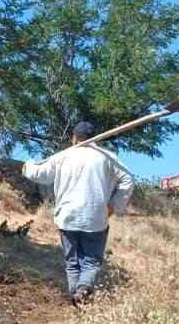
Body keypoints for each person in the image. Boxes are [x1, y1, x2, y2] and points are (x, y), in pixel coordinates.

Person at [22, 122, 134, 305]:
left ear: (73, 137)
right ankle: (83, 289)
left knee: (72, 262)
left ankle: (77, 299)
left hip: (67, 216)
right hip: (96, 218)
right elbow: (128, 180)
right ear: (94, 136)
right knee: (90, 262)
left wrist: (27, 166)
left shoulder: (63, 156)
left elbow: (40, 174)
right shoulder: (107, 157)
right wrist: (114, 206)